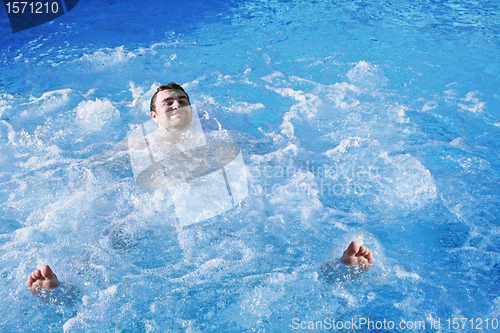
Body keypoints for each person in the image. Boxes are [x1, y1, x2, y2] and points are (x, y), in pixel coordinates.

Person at [26, 83, 375, 292]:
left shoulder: (219, 138)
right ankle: (63, 289)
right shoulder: (138, 145)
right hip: (158, 212)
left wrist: (312, 161)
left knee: (276, 231)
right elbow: (91, 168)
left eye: (182, 100)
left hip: (218, 207)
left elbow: (278, 155)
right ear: (154, 116)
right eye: (168, 102)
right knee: (111, 237)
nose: (177, 104)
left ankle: (336, 270)